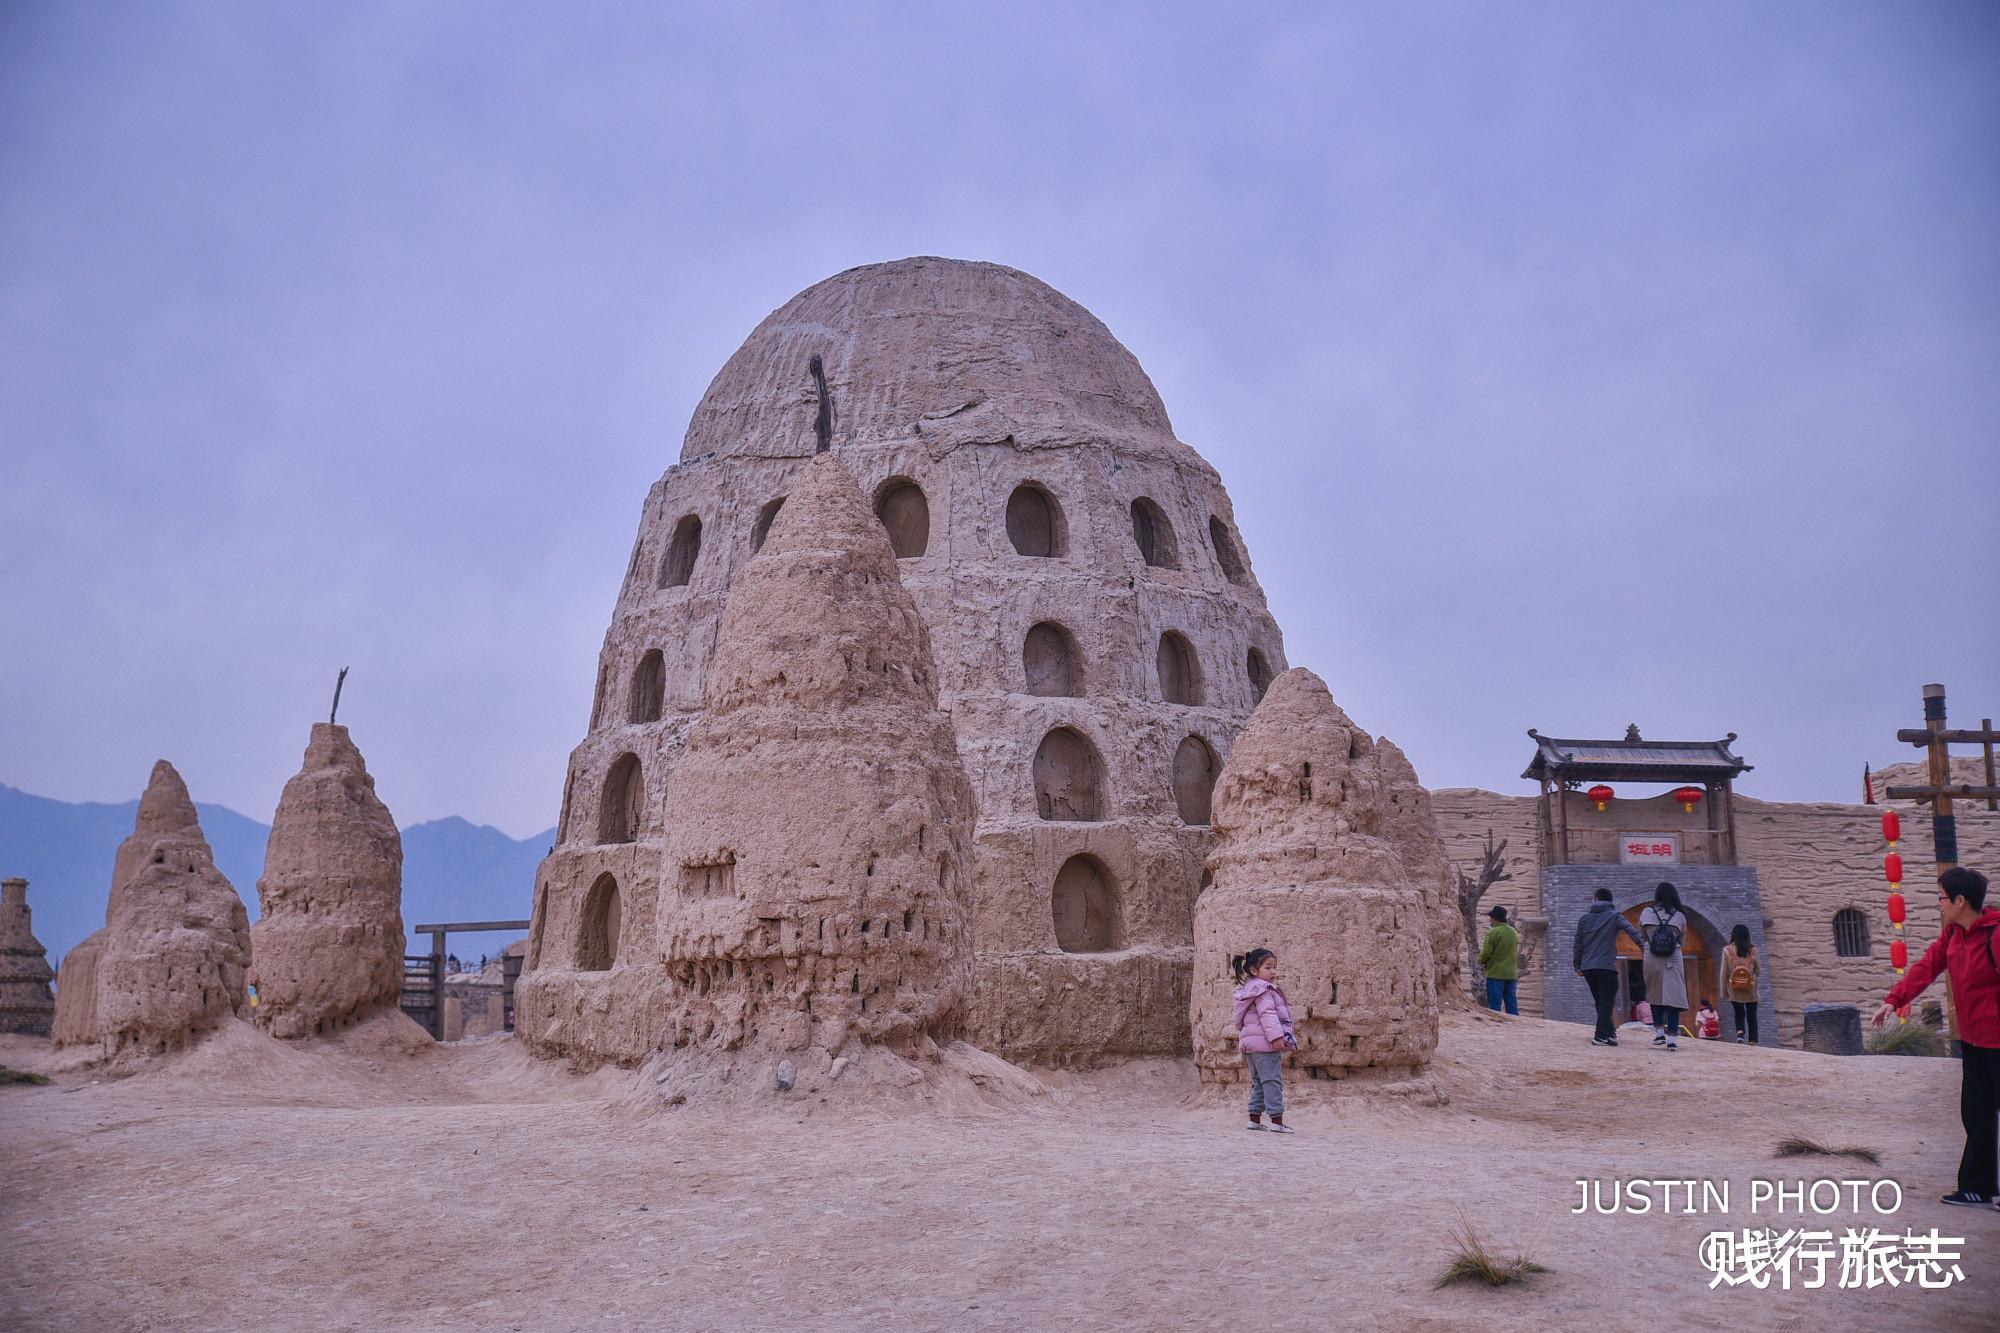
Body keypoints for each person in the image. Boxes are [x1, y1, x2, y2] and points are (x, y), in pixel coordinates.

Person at [1871, 867, 2000, 1209]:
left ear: (1961, 900)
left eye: (1942, 897)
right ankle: (1978, 1187)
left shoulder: (1996, 935)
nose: (1939, 904)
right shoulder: (1953, 936)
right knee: (1976, 1112)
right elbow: (1926, 968)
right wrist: (1893, 1000)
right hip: (1973, 1042)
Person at [1232, 948, 1298, 1134]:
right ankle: (1277, 1121)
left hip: (1251, 1046)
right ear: (1254, 970)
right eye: (1268, 967)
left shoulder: (1248, 990)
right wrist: (1277, 1037)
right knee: (1272, 1081)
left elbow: (1239, 1020)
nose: (1273, 971)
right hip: (1265, 1045)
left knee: (1258, 1082)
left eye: (1275, 967)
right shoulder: (1263, 990)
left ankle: (1254, 1119)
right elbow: (1267, 1015)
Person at [1572, 887, 1644, 1046]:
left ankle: (1610, 1033)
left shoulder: (1584, 919)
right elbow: (1632, 931)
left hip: (1588, 967)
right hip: (1606, 965)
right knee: (1607, 1001)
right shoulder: (1614, 916)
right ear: (1610, 901)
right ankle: (1599, 1036)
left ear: (1596, 899)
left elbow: (1578, 944)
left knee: (1600, 1001)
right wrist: (1643, 947)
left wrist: (1577, 965)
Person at [1639, 881, 1690, 1051]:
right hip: (1672, 958)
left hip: (1651, 956)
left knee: (1654, 993)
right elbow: (1682, 940)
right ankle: (1672, 1039)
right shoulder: (1680, 916)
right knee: (1673, 997)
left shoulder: (1647, 912)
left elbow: (1642, 936)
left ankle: (1659, 1032)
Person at [1720, 923, 1761, 1044]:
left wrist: (1724, 992)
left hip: (1734, 988)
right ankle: (1753, 1040)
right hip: (1750, 989)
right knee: (1752, 1015)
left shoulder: (1727, 950)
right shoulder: (1752, 950)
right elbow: (1758, 971)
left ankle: (1740, 1033)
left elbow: (1724, 973)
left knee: (1739, 1013)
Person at [1479, 905, 1520, 1015]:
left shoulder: (1493, 932)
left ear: (1495, 919)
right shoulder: (1513, 932)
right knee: (1511, 1003)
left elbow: (1486, 953)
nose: (1490, 920)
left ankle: (1496, 1027)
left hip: (1496, 973)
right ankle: (1514, 1026)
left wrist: (1481, 961)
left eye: (1491, 918)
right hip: (1511, 974)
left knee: (1494, 1005)